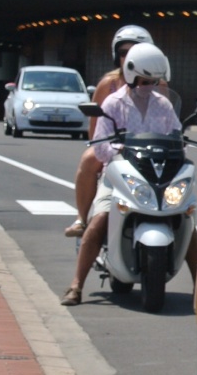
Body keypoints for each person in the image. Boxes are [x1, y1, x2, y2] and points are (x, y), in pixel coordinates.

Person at [60, 43, 197, 306]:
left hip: (158, 174)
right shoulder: (113, 103)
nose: (149, 85)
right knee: (100, 217)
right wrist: (119, 147)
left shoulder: (164, 106)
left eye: (154, 81)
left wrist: (180, 144)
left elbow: (176, 136)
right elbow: (100, 145)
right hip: (120, 175)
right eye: (144, 80)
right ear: (130, 74)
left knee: (187, 217)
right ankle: (76, 285)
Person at [64, 25, 166, 238]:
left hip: (149, 149)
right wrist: (107, 148)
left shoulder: (160, 85)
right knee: (89, 158)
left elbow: (168, 123)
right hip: (115, 148)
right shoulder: (108, 85)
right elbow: (95, 133)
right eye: (123, 52)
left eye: (135, 50)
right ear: (115, 56)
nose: (128, 57)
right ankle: (82, 219)